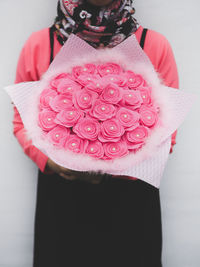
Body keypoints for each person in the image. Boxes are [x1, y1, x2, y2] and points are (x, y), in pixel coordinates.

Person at [13, 0, 179, 266]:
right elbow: (20, 123)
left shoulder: (153, 44)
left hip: (131, 208)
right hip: (62, 204)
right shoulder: (40, 44)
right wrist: (52, 162)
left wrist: (118, 162)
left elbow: (167, 134)